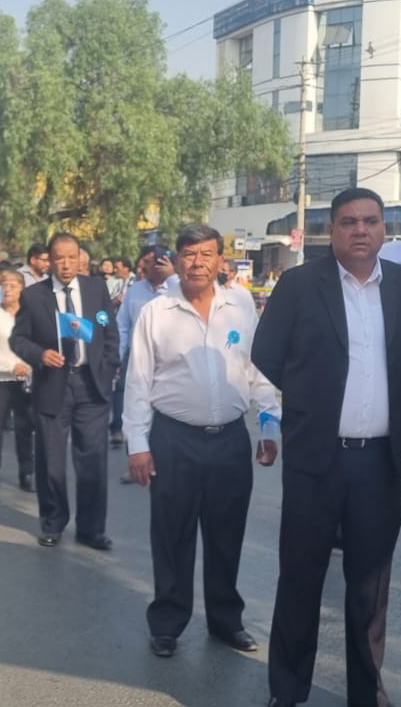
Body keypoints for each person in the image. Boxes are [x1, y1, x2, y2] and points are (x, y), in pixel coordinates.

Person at [252, 187, 401, 707]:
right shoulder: (298, 285)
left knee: (370, 587)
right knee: (300, 578)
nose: (360, 230)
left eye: (370, 221)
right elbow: (267, 353)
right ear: (331, 230)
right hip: (316, 460)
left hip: (379, 462)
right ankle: (288, 689)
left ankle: (366, 692)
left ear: (384, 230)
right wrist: (311, 397)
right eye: (349, 222)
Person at [124, 225, 279, 659]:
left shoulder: (241, 305)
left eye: (206, 254)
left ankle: (225, 620)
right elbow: (138, 381)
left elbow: (257, 370)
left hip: (230, 439)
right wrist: (137, 444)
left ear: (219, 260)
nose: (197, 263)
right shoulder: (157, 312)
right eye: (189, 254)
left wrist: (269, 425)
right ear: (177, 260)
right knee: (172, 534)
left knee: (227, 533)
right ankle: (168, 622)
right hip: (174, 439)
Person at [10, 232, 120, 550]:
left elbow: (109, 331)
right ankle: (53, 522)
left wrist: (108, 367)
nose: (67, 264)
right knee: (52, 460)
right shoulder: (34, 296)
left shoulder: (96, 289)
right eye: (60, 258)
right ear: (50, 260)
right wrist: (39, 354)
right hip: (53, 384)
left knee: (93, 460)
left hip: (91, 385)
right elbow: (18, 339)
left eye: (72, 257)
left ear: (80, 257)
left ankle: (91, 529)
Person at [114, 245, 177, 468]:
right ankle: (135, 457)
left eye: (151, 261)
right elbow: (122, 326)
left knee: (165, 412)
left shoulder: (178, 288)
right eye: (144, 262)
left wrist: (172, 278)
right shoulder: (135, 291)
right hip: (137, 358)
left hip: (169, 362)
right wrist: (117, 357)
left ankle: (165, 462)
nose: (144, 267)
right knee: (134, 407)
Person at [0, 267, 36, 490]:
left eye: (12, 286)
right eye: (4, 286)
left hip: (25, 380)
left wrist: (28, 368)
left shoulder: (30, 316)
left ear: (22, 289)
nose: (8, 290)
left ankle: (27, 472)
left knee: (25, 427)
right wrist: (12, 366)